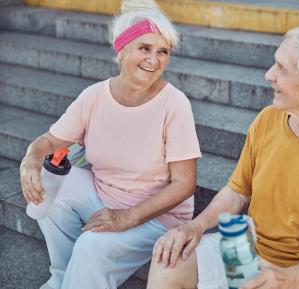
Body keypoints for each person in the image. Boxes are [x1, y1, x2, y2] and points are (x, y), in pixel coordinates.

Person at [147, 26, 299, 289]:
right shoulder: (267, 119)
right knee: (169, 261)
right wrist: (194, 227)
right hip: (250, 251)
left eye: (281, 69)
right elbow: (236, 193)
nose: (269, 75)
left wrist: (287, 279)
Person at [18, 0, 201, 288]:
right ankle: (65, 277)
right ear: (122, 48)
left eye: (163, 51)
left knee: (91, 245)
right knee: (47, 183)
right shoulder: (95, 96)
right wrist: (30, 159)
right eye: (145, 48)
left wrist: (128, 217)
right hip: (103, 194)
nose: (154, 60)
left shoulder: (174, 104)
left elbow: (184, 184)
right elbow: (51, 140)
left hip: (156, 217)